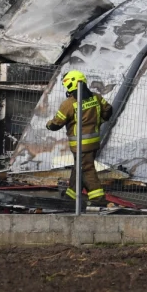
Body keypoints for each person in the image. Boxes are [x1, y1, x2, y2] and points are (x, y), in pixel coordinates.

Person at [47, 69, 112, 207]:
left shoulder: (69, 104)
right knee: (79, 168)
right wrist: (100, 120)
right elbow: (108, 110)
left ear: (71, 85)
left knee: (86, 169)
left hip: (80, 145)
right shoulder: (96, 97)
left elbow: (57, 123)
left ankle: (98, 198)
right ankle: (71, 196)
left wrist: (49, 125)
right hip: (94, 142)